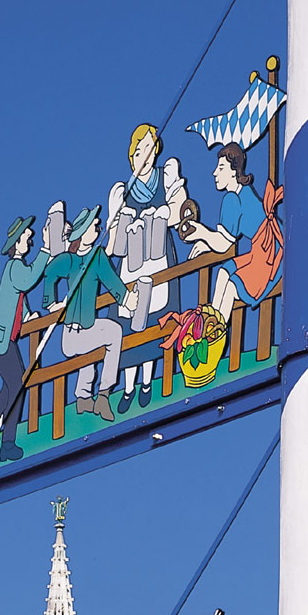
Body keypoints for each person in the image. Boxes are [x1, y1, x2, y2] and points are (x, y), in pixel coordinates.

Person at [104, 123, 188, 412]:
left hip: (159, 260)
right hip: (131, 265)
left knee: (155, 319)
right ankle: (127, 388)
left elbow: (179, 214)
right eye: (139, 151)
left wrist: (166, 212)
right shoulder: (122, 192)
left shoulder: (166, 177)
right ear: (132, 157)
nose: (145, 155)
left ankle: (148, 382)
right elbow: (111, 242)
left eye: (149, 149)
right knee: (128, 326)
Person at [43, 205, 138, 423]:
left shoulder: (97, 257)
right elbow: (49, 273)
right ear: (83, 232)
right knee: (113, 333)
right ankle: (103, 393)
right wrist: (51, 305)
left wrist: (126, 299)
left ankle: (84, 397)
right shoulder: (70, 260)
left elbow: (111, 281)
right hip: (71, 335)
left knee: (104, 333)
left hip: (86, 330)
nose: (98, 227)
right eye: (94, 225)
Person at [181, 143, 282, 323]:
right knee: (224, 272)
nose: (215, 173)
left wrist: (202, 233)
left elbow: (223, 244)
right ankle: (210, 324)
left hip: (269, 254)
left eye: (221, 168)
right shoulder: (241, 193)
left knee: (232, 287)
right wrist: (206, 241)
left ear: (234, 171)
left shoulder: (232, 199)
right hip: (261, 249)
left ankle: (216, 334)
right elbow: (226, 239)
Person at [0, 215, 50, 462]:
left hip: (2, 342)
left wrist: (30, 316)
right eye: (27, 239)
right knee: (18, 386)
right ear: (16, 243)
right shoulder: (14, 267)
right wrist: (45, 251)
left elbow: (19, 301)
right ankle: (7, 442)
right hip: (1, 343)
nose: (29, 244)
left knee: (10, 385)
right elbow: (29, 279)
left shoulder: (15, 269)